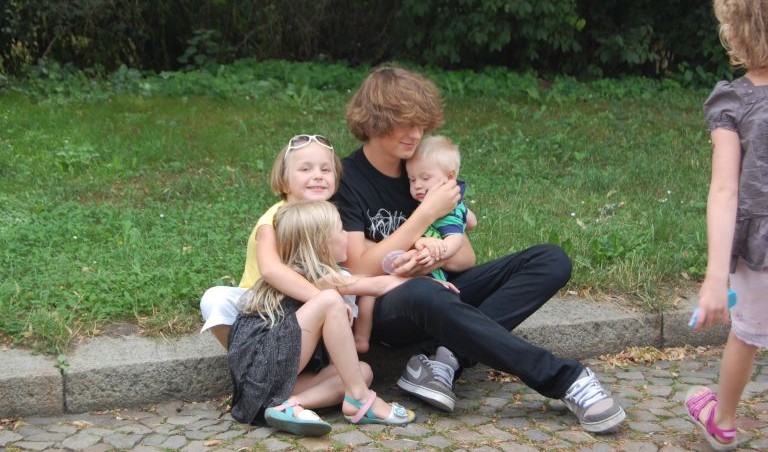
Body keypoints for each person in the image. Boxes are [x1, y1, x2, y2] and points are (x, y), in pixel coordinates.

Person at [333, 65, 627, 433]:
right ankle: (566, 379)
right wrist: (425, 215)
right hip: (384, 307)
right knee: (425, 291)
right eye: (405, 125)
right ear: (375, 120)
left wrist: (432, 255)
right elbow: (359, 267)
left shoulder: (422, 170)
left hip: (442, 286)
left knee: (550, 259)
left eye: (421, 125)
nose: (416, 135)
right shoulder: (346, 179)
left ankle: (447, 358)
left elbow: (465, 258)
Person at [228, 200, 415, 435]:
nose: (346, 235)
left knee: (361, 372)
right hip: (260, 374)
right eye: (341, 230)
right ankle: (360, 399)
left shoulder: (327, 277)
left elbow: (372, 283)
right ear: (322, 243)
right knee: (329, 300)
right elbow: (377, 285)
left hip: (273, 385)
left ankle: (290, 405)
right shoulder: (316, 278)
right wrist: (425, 283)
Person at [685, 0, 768, 451]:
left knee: (748, 335)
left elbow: (725, 190)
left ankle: (724, 421)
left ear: (738, 31)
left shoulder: (733, 101)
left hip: (759, 251)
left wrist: (716, 277)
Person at [199, 134, 343, 348]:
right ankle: (246, 357)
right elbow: (270, 270)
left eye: (326, 169)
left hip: (305, 305)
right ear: (284, 183)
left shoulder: (329, 217)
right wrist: (319, 297)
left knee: (345, 280)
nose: (318, 176)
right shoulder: (273, 219)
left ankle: (328, 357)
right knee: (215, 299)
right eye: (305, 169)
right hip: (262, 302)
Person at [353, 135, 468, 352]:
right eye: (412, 180)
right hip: (398, 271)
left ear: (450, 177)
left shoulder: (446, 209)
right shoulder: (428, 201)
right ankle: (361, 339)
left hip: (426, 272)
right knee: (368, 290)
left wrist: (438, 251)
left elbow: (458, 242)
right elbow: (470, 220)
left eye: (425, 178)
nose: (417, 186)